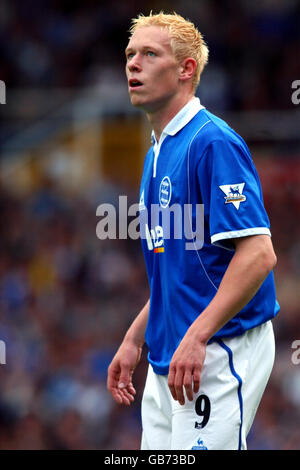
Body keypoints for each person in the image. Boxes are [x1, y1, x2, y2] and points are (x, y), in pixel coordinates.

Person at [107, 11, 280, 450]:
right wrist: (134, 339)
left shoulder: (212, 141)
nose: (133, 64)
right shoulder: (156, 154)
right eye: (130, 54)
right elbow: (179, 272)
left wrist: (199, 335)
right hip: (170, 358)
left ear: (186, 69)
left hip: (218, 349)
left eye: (149, 54)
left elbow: (258, 254)